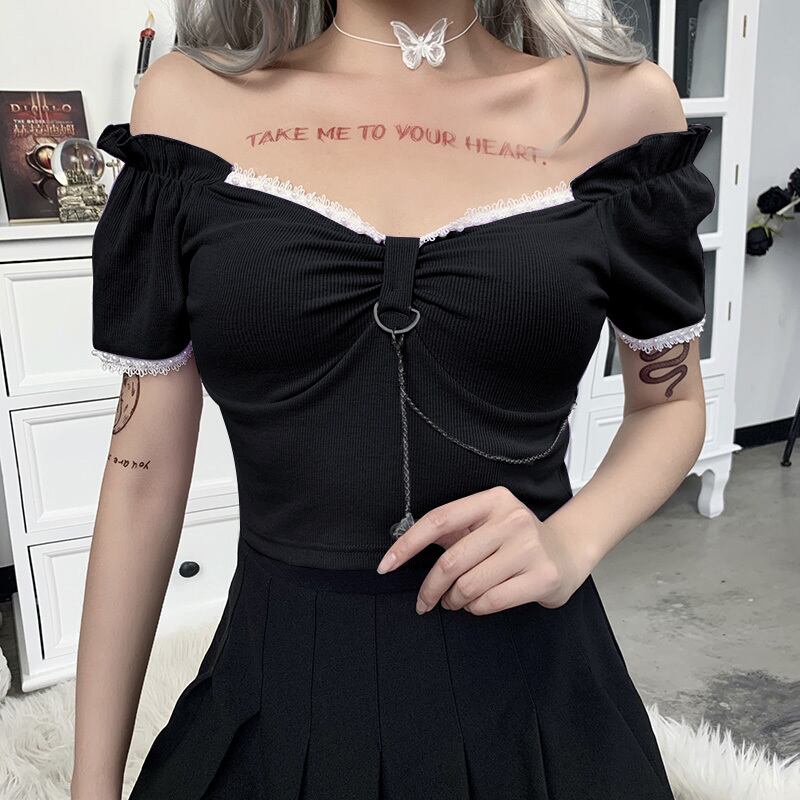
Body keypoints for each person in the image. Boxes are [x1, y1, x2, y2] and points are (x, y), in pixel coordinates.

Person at [71, 2, 715, 798]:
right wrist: (90, 787)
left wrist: (572, 539)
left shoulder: (619, 109)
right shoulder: (186, 107)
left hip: (537, 697)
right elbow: (141, 473)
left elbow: (670, 403)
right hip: (280, 691)